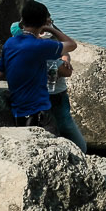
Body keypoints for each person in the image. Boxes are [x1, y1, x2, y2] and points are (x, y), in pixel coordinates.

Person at [0, 0, 77, 133]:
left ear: (23, 19)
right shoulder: (40, 46)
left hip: (18, 111)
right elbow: (71, 44)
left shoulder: (9, 43)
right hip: (40, 112)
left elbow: (0, 75)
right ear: (43, 22)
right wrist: (50, 28)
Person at [9, 22, 87, 152]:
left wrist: (65, 59)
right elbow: (66, 69)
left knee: (46, 129)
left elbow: (64, 52)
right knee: (63, 131)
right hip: (52, 97)